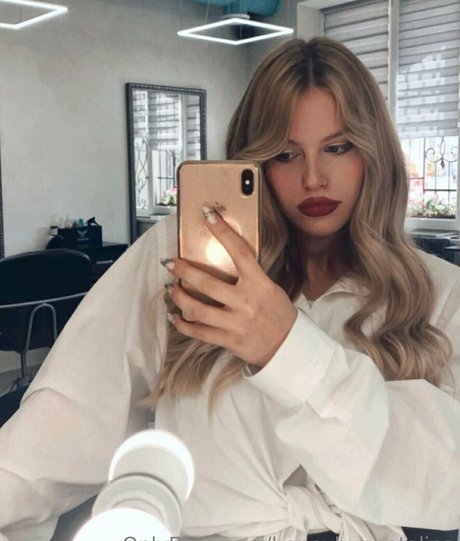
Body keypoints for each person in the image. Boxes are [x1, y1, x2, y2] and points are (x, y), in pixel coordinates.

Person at [0, 37, 459, 541]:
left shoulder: (440, 294)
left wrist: (287, 348)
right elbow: (69, 415)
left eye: (337, 147)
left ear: (374, 152)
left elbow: (447, 481)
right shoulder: (183, 259)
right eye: (285, 153)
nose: (313, 178)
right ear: (256, 162)